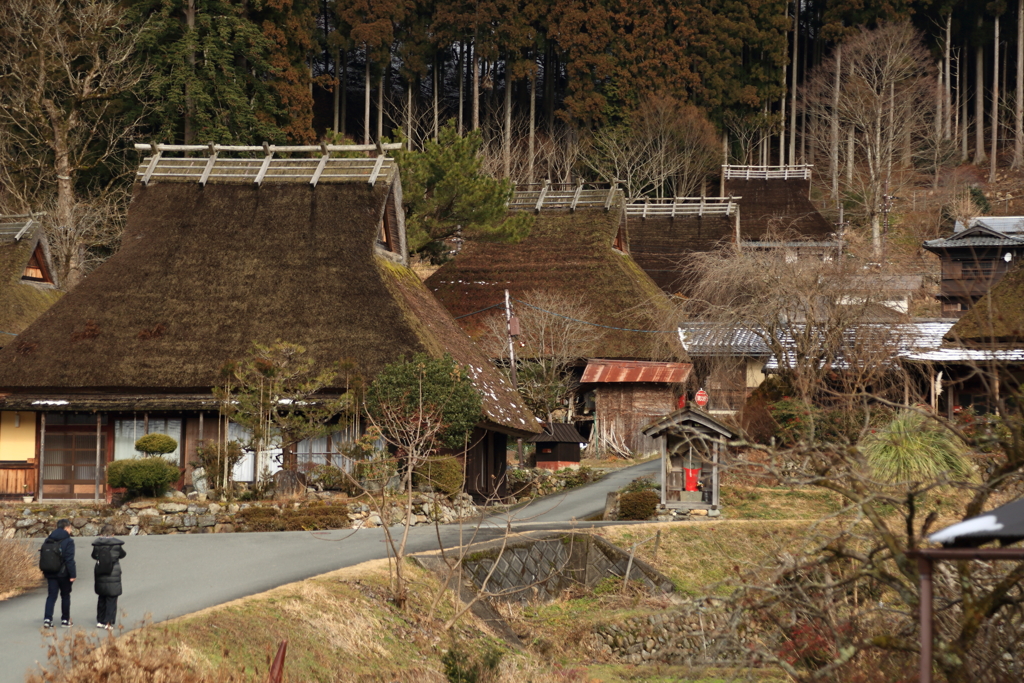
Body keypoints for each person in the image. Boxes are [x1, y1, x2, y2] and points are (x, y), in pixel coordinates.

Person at [41, 519, 76, 628]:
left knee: (51, 596)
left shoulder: (48, 540)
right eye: (70, 528)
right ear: (67, 528)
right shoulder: (68, 541)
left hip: (50, 572)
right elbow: (69, 560)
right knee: (65, 596)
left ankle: (47, 619)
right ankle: (65, 620)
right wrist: (73, 574)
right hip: (64, 573)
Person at [91, 525, 126, 630]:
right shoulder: (117, 544)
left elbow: (93, 556)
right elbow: (123, 554)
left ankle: (100, 621)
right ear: (113, 534)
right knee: (111, 598)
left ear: (101, 534)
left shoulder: (97, 544)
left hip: (100, 572)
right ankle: (108, 622)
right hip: (113, 573)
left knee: (101, 597)